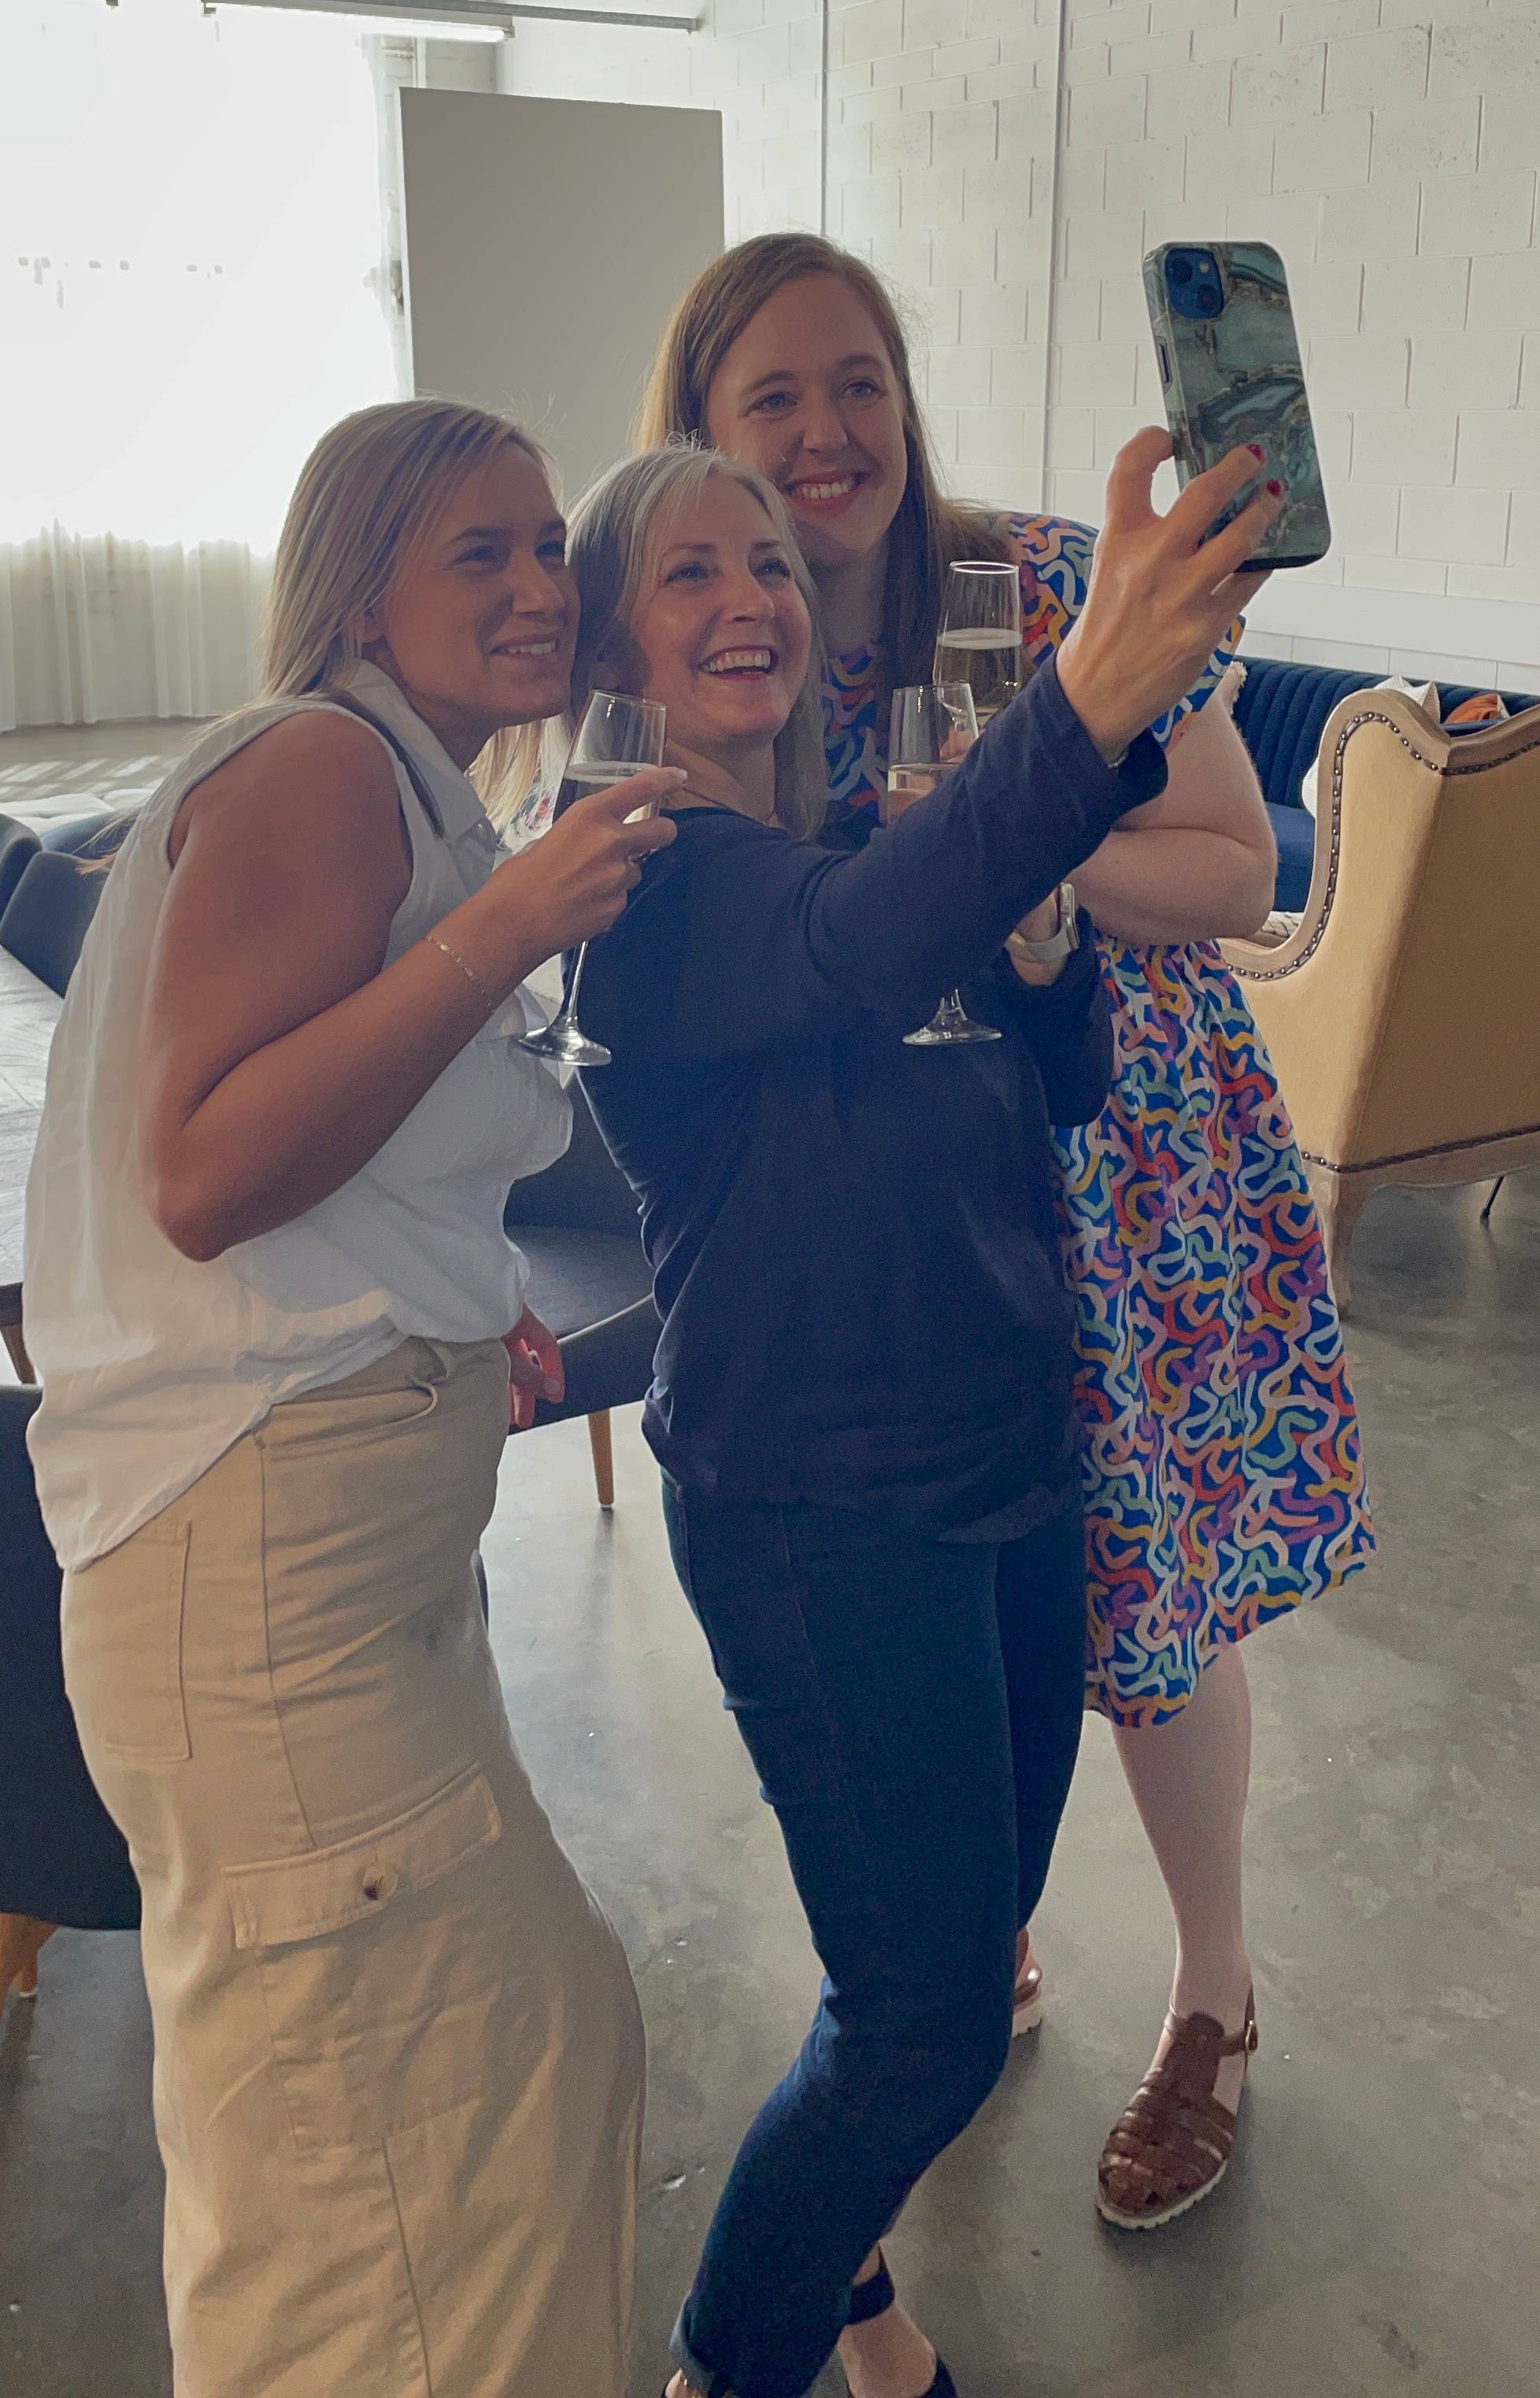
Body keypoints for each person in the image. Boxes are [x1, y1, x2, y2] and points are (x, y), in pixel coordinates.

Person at [639, 232, 1373, 2231]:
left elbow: (1230, 863)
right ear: (703, 432)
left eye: (859, 379)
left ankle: (1215, 1995)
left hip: (1110, 1150)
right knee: (964, 1599)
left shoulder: (1051, 578)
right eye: (772, 394)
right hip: (881, 1204)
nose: (825, 429)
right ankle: (982, 1939)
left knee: (1141, 1596)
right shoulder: (713, 623)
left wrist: (1010, 845)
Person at [556, 432, 1280, 2398]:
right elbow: (854, 957)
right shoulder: (645, 870)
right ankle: (741, 2351)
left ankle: (850, 2296)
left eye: (775, 568)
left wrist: (1043, 958)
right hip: (818, 1512)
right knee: (928, 2020)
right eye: (693, 569)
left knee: (953, 1953)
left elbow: (1034, 1078)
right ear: (610, 637)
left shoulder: (861, 845)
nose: (756, 596)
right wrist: (1091, 697)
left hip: (1005, 1465)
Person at [24, 399, 683, 2398]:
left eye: (543, 543)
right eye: (471, 550)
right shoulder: (322, 761)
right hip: (265, 1571)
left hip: (320, 1543)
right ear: (358, 591)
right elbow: (212, 1165)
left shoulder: (396, 789)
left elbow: (366, 1140)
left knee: (474, 2101)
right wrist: (516, 918)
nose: (537, 583)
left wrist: (477, 1321)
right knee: (403, 2197)